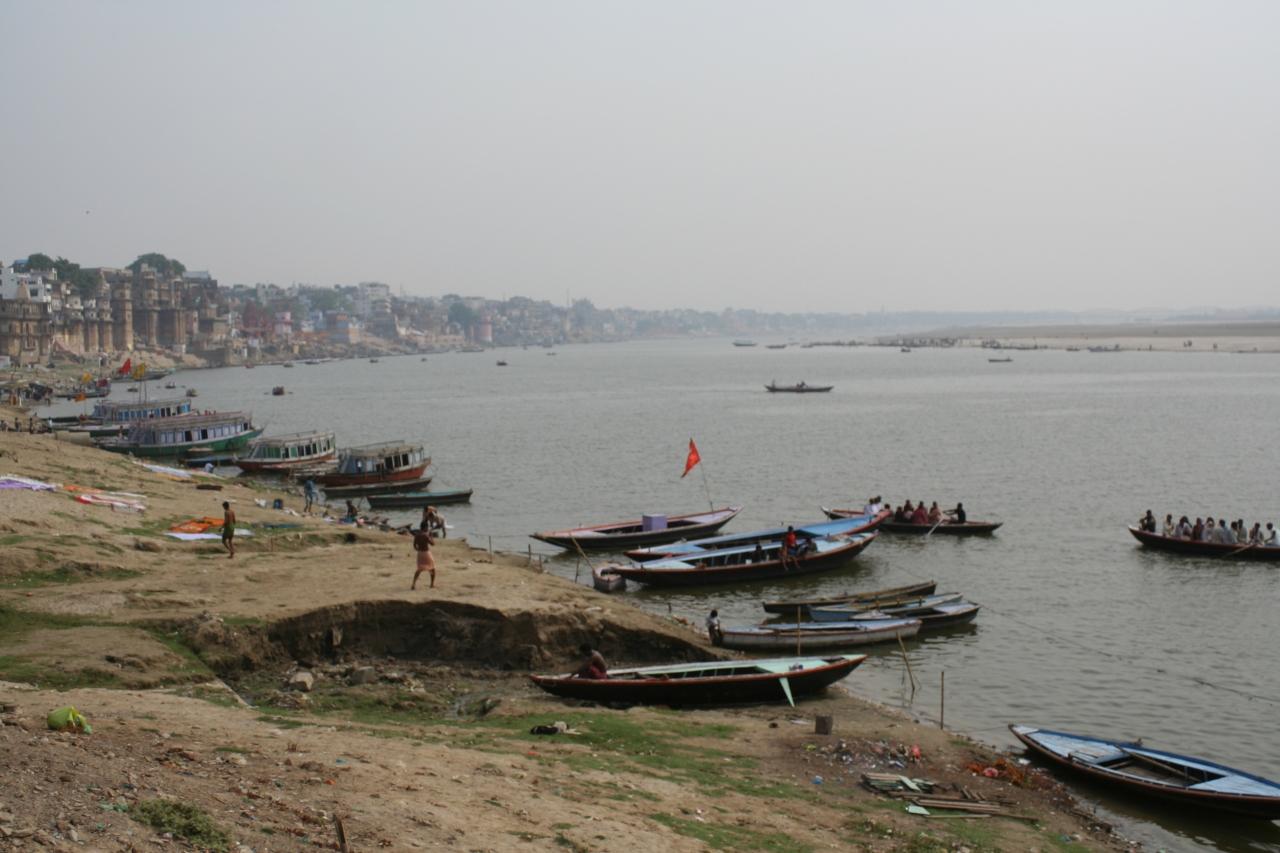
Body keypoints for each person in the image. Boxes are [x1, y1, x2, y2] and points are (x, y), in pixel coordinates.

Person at [411, 523, 436, 590]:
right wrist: (431, 536)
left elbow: (414, 546)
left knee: (419, 569)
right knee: (432, 568)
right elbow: (433, 544)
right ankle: (432, 584)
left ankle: (413, 584)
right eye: (427, 527)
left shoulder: (417, 535)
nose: (427, 528)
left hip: (420, 553)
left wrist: (419, 549)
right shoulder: (425, 535)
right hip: (426, 553)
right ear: (425, 527)